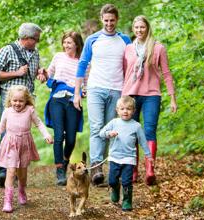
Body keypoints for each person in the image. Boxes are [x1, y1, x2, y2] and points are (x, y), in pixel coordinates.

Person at [73, 4, 131, 185]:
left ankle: (102, 164)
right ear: (101, 20)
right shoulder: (92, 39)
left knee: (108, 129)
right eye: (106, 20)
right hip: (96, 88)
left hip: (117, 89)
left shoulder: (125, 40)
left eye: (112, 20)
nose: (109, 24)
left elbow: (131, 65)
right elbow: (82, 65)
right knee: (97, 127)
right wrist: (77, 92)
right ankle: (97, 167)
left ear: (117, 20)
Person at [122, 15, 177, 185]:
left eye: (142, 27)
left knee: (149, 131)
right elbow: (126, 73)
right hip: (131, 94)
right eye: (136, 27)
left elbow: (166, 74)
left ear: (148, 28)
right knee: (131, 133)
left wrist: (172, 98)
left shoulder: (158, 48)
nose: (139, 30)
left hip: (152, 95)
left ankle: (149, 170)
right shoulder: (128, 49)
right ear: (133, 29)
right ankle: (133, 170)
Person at [0, 22, 48, 187]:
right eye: (35, 39)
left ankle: (17, 168)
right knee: (7, 131)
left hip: (27, 99)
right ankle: (2, 171)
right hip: (10, 99)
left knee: (24, 132)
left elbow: (34, 73)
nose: (37, 42)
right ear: (26, 38)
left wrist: (40, 74)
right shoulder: (7, 50)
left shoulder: (35, 53)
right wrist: (16, 73)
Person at [0, 85, 53, 213]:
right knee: (11, 171)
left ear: (26, 100)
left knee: (22, 174)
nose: (17, 103)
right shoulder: (7, 111)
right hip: (11, 144)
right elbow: (0, 128)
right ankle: (7, 200)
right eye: (15, 100)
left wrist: (46, 135)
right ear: (10, 100)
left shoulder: (30, 110)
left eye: (21, 101)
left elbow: (39, 123)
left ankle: (21, 190)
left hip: (25, 144)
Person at [44, 31, 87, 186]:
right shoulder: (58, 57)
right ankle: (60, 170)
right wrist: (43, 75)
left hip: (73, 102)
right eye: (64, 42)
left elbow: (86, 83)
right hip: (57, 99)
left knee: (70, 139)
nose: (66, 45)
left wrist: (84, 91)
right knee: (58, 135)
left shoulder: (84, 62)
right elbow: (49, 74)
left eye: (69, 43)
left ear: (77, 44)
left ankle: (66, 159)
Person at [99, 96, 153, 211]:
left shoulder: (136, 126)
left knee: (127, 181)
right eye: (122, 109)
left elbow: (143, 142)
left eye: (128, 109)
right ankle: (115, 188)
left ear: (133, 111)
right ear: (117, 110)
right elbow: (101, 133)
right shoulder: (114, 123)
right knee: (112, 180)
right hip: (114, 158)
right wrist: (109, 133)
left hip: (129, 159)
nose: (125, 111)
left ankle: (127, 200)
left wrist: (148, 155)